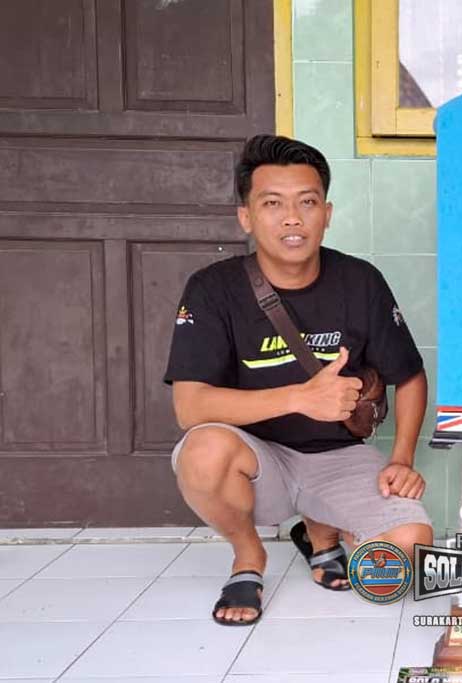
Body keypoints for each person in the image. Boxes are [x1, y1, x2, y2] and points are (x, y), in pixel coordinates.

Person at [164, 135, 433, 626]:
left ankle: (321, 532)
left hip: (338, 458)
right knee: (202, 452)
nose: (292, 218)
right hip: (258, 460)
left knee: (407, 550)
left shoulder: (360, 281)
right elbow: (190, 406)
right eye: (273, 204)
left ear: (326, 214)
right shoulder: (212, 288)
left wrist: (401, 458)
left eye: (307, 203)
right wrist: (300, 397)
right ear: (246, 217)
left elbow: (410, 377)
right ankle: (248, 555)